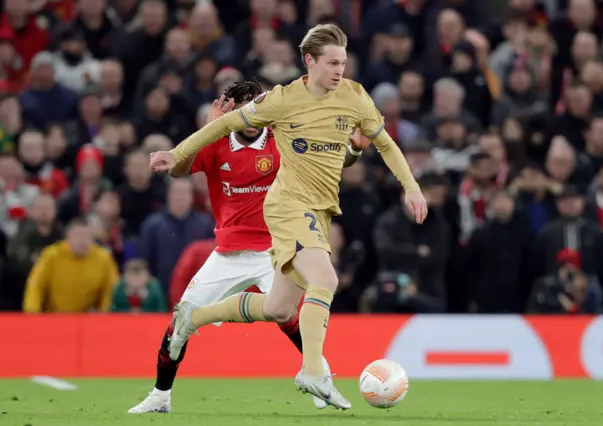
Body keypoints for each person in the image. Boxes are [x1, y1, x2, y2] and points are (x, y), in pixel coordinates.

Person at [150, 24, 427, 409]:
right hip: (287, 207)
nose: (339, 70)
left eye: (343, 63)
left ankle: (195, 319)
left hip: (320, 209)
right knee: (325, 278)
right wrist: (176, 154)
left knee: (278, 309)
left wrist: (410, 186)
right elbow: (228, 124)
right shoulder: (281, 100)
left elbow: (385, 143)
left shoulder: (356, 98)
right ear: (309, 61)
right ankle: (313, 372)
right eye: (332, 62)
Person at [130, 79, 363, 413]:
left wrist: (353, 149)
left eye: (258, 106)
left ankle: (319, 378)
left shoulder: (283, 139)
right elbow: (179, 169)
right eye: (245, 108)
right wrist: (207, 127)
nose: (253, 115)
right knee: (180, 321)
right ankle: (160, 396)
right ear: (234, 111)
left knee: (288, 317)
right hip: (227, 253)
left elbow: (330, 160)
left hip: (274, 248)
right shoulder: (216, 139)